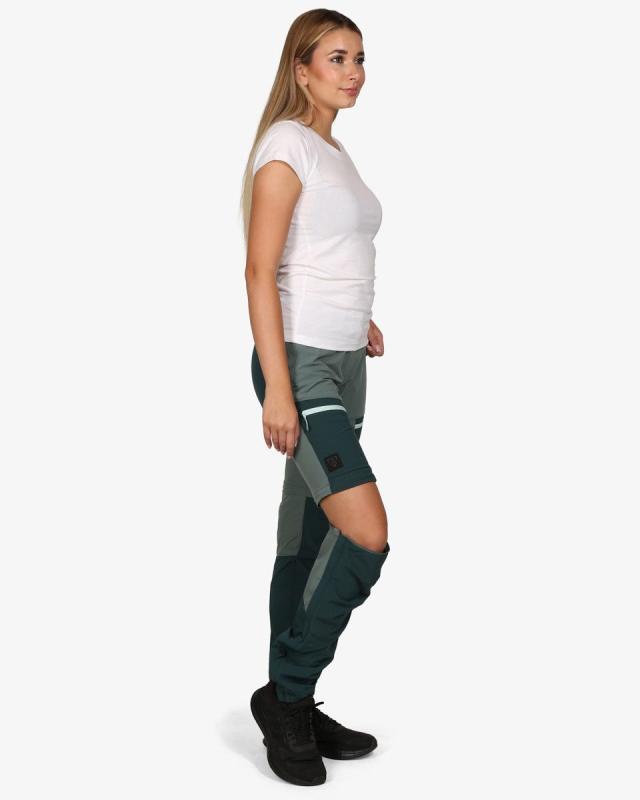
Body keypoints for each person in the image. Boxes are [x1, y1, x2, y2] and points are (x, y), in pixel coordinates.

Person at [241, 10, 391, 786]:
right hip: (298, 367)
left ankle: (288, 695)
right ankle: (288, 695)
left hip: (342, 360)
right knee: (366, 534)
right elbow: (259, 270)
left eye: (359, 57)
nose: (354, 70)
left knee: (309, 535)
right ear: (301, 69)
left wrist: (356, 317)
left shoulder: (334, 151)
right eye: (337, 57)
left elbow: (327, 252)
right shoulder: (286, 146)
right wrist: (278, 388)